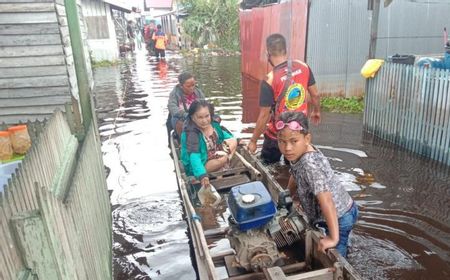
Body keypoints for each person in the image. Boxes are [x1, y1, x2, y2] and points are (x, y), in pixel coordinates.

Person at [277, 111, 358, 257]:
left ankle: (341, 252)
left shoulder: (311, 165)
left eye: (293, 141)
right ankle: (343, 242)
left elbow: (327, 200)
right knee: (339, 241)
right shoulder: (296, 153)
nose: (287, 148)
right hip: (335, 212)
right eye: (282, 141)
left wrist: (333, 238)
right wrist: (289, 193)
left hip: (340, 216)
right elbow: (295, 173)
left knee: (335, 257)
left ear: (307, 138)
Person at [247, 33, 321, 164]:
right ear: (286, 51)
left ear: (268, 53)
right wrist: (316, 111)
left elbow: (264, 115)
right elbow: (315, 94)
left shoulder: (269, 79)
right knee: (296, 169)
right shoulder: (304, 67)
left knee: (268, 166)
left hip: (277, 134)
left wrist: (253, 141)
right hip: (298, 132)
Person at [181, 100, 237, 188]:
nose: (204, 121)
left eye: (207, 116)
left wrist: (237, 140)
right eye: (200, 117)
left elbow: (224, 135)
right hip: (200, 164)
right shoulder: (192, 134)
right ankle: (223, 164)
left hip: (214, 155)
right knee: (223, 158)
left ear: (210, 114)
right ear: (192, 117)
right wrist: (202, 175)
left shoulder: (213, 125)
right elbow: (194, 157)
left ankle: (222, 165)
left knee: (233, 141)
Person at [167, 72, 205, 138]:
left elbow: (204, 104)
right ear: (181, 86)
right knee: (179, 123)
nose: (192, 88)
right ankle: (182, 141)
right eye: (188, 86)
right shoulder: (174, 94)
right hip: (181, 117)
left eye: (193, 85)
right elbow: (172, 108)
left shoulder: (198, 92)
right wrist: (186, 115)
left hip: (196, 116)